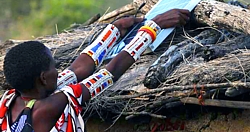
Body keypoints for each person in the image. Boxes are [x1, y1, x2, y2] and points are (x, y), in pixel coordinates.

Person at [0, 9, 190, 132]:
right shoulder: (49, 107)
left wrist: (114, 30)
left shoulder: (10, 100)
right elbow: (109, 73)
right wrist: (153, 27)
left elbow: (78, 69)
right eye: (53, 67)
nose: (58, 71)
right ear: (42, 78)